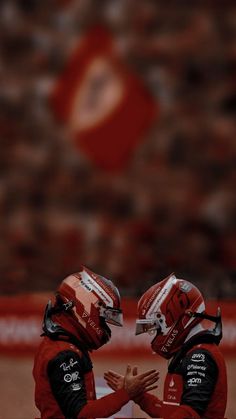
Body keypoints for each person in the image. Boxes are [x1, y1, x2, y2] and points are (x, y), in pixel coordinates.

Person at [33, 266, 159, 419]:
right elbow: (81, 413)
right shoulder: (65, 354)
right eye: (103, 318)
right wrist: (126, 393)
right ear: (85, 307)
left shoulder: (61, 342)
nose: (105, 326)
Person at [104, 273, 228, 419]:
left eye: (156, 327)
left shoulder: (200, 356)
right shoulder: (191, 352)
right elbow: (170, 412)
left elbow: (189, 414)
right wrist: (137, 395)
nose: (153, 333)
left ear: (175, 315)